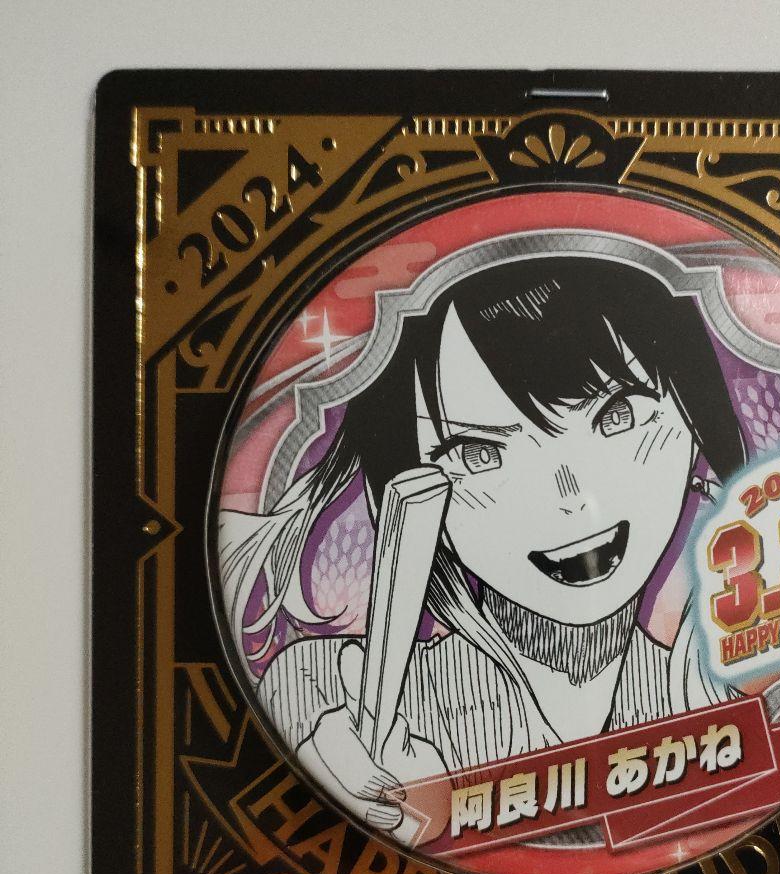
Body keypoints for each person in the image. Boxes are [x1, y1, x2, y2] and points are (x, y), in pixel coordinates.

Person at [219, 253, 746, 834]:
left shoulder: (709, 692)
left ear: (694, 418)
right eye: (478, 454)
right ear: (407, 486)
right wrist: (341, 781)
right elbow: (297, 700)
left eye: (617, 415)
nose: (570, 498)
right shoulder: (348, 695)